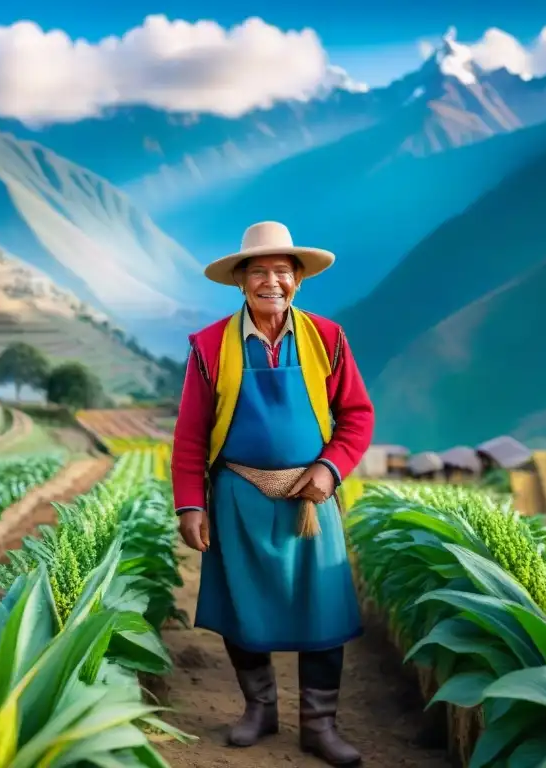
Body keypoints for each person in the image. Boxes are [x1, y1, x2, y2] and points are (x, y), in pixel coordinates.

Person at [171, 221, 374, 767]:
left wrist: (331, 470)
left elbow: (356, 417)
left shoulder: (326, 339)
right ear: (241, 282)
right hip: (239, 498)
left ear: (298, 280)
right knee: (245, 608)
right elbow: (191, 433)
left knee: (322, 608)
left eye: (281, 271)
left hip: (311, 498)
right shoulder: (211, 347)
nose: (271, 282)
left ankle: (319, 724)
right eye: (257, 271)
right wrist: (191, 502)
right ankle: (259, 710)